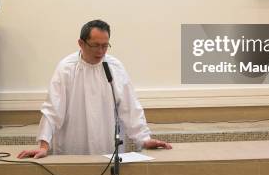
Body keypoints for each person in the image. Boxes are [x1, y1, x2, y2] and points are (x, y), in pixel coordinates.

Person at [17, 19, 171, 158]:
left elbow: (130, 107)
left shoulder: (114, 67)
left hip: (107, 146)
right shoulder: (66, 68)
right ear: (81, 43)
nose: (101, 51)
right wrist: (43, 146)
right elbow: (52, 110)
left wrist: (144, 139)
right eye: (96, 45)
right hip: (73, 146)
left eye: (105, 46)